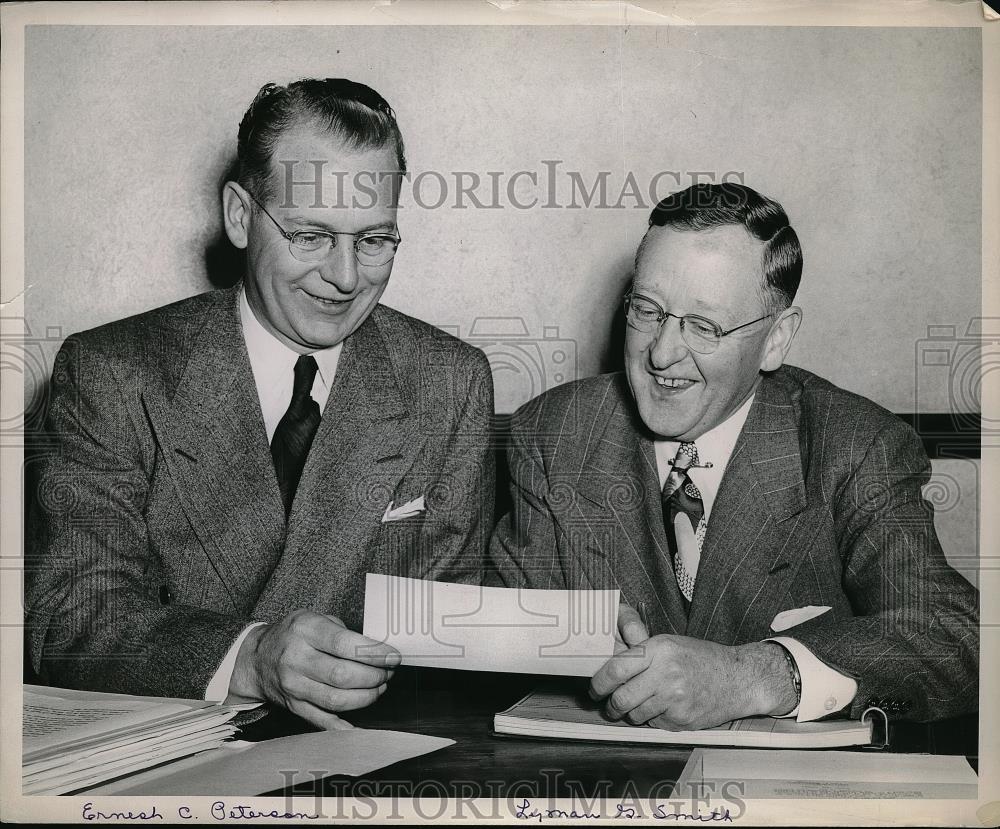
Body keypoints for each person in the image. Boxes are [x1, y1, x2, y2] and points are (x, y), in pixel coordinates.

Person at [26, 78, 495, 730]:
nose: (345, 276)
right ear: (241, 217)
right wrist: (247, 655)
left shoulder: (449, 381)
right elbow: (69, 613)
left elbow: (449, 624)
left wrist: (580, 637)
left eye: (373, 239)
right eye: (310, 235)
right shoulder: (112, 372)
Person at [490, 182, 978, 728]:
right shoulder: (555, 433)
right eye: (647, 310)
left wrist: (757, 674)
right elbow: (499, 616)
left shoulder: (856, 446)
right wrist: (566, 635)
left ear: (776, 339)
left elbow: (955, 635)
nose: (662, 353)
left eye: (704, 326)